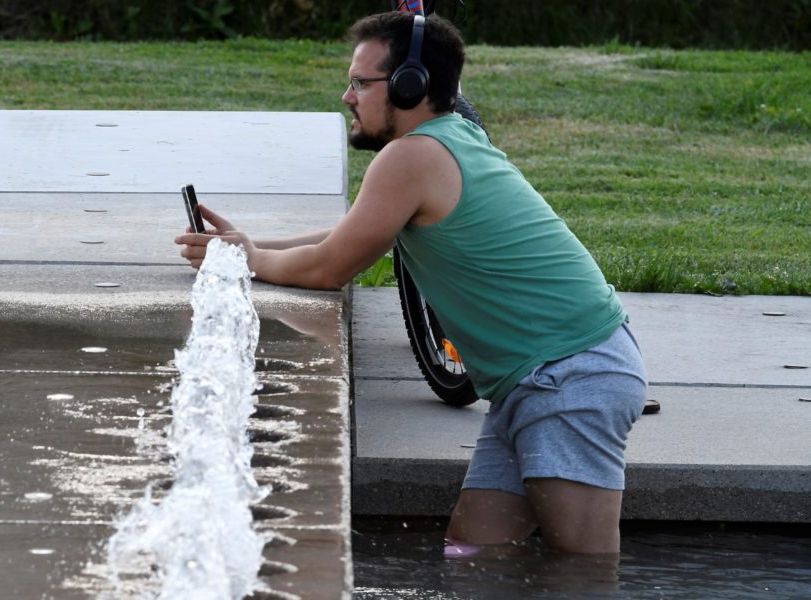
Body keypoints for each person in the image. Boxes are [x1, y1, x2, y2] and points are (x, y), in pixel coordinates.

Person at [175, 11, 647, 556]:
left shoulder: (412, 156)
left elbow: (332, 268)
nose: (348, 97)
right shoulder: (445, 140)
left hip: (569, 376)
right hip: (538, 378)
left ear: (409, 86)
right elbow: (351, 234)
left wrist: (252, 259)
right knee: (472, 555)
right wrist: (249, 247)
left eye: (360, 83)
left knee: (583, 570)